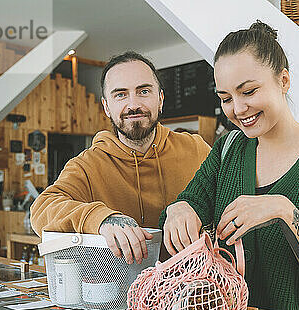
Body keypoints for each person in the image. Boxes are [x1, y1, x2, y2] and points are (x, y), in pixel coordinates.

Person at [160, 22, 299, 310]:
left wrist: (284, 210)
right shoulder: (227, 150)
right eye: (226, 98)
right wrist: (179, 209)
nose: (238, 108)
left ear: (283, 80)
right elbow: (193, 202)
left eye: (248, 91)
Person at [31, 51, 210, 264]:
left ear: (160, 99)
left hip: (192, 289)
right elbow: (41, 209)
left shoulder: (196, 148)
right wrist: (101, 219)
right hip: (119, 292)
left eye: (143, 91)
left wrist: (188, 205)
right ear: (107, 107)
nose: (133, 104)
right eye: (120, 94)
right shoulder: (87, 165)